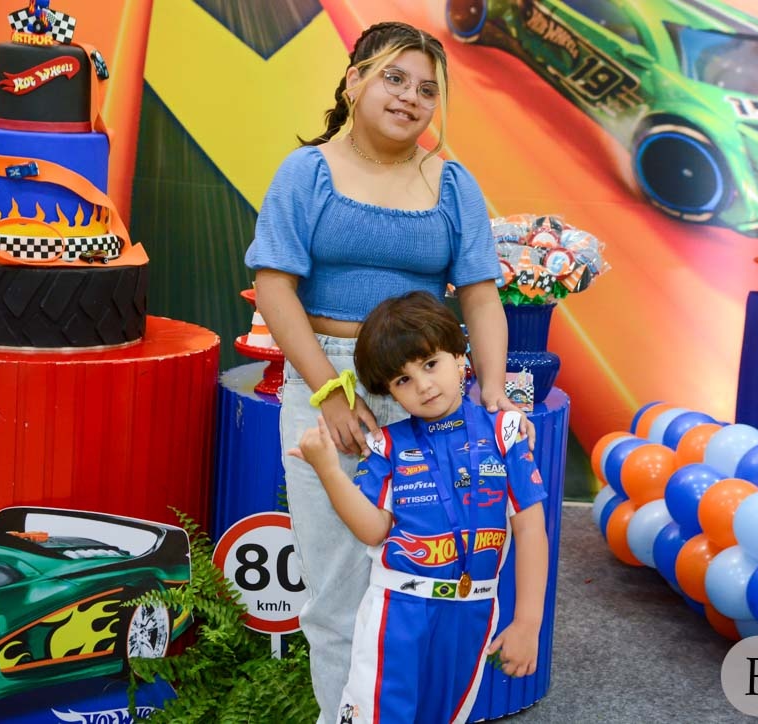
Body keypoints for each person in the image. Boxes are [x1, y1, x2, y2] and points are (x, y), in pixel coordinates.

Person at [243, 21, 532, 722]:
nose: (409, 98)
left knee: (426, 584)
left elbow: (480, 297)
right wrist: (329, 391)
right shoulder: (306, 173)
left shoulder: (453, 183)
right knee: (336, 590)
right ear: (354, 81)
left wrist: (491, 392)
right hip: (327, 380)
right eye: (394, 78)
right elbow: (275, 287)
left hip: (429, 393)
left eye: (427, 89)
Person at [289, 291, 549, 723]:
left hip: (474, 610)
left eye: (430, 364)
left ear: (460, 356)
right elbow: (373, 530)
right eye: (402, 380)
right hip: (398, 612)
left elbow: (531, 529)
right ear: (389, 392)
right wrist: (328, 471)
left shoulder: (505, 432)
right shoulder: (386, 445)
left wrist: (528, 622)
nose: (423, 385)